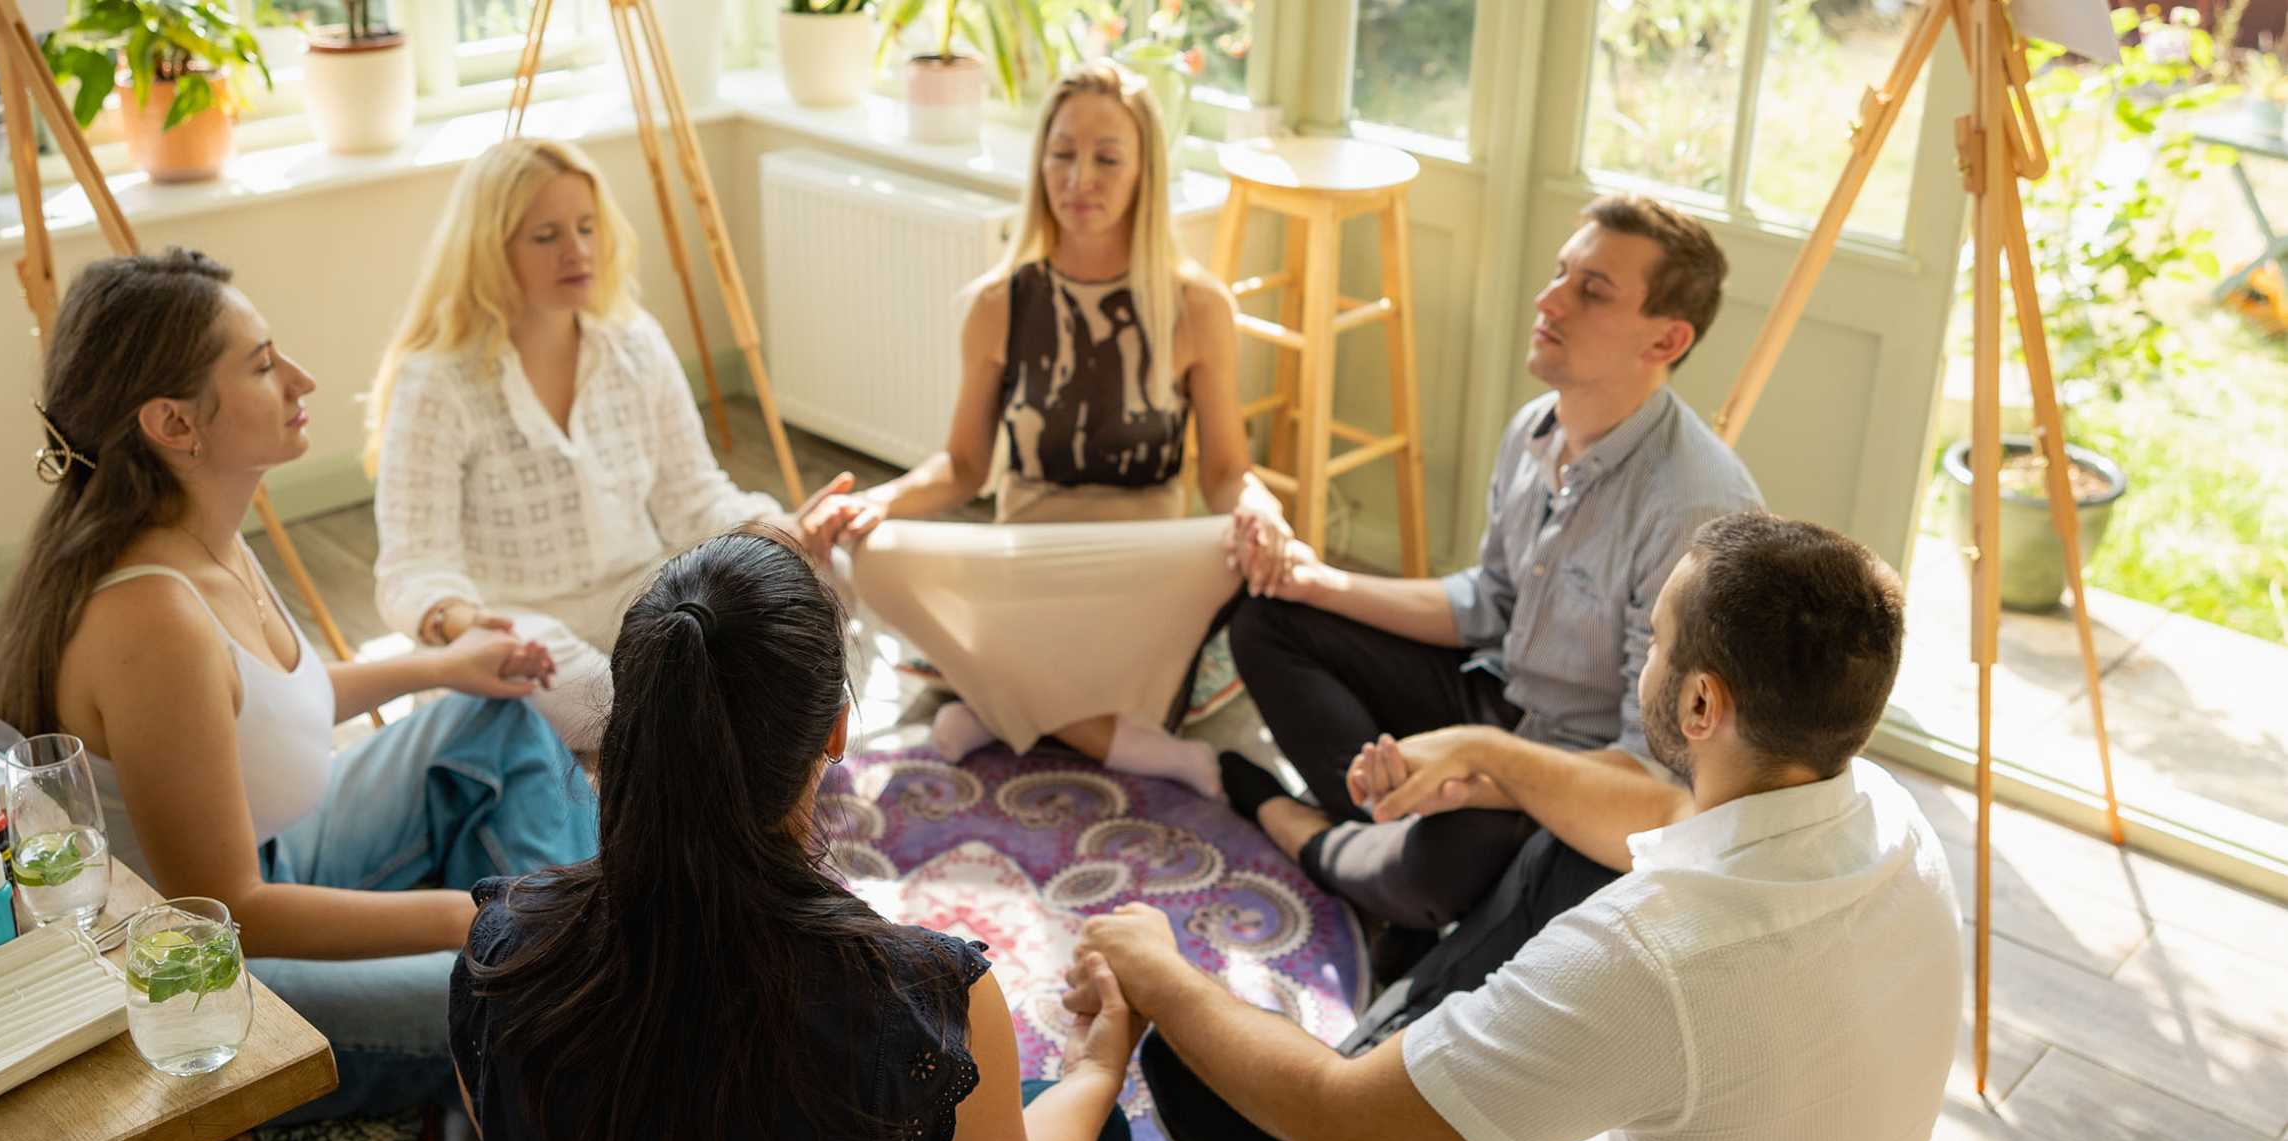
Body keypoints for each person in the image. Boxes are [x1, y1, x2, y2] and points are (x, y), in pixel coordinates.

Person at [1071, 512, 1961, 1141]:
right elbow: (1666, 827)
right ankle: (1431, 1042)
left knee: (1188, 1065)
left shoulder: (1647, 953)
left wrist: (1154, 966)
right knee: (1561, 853)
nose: (1644, 657)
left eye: (1654, 641)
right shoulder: (1891, 821)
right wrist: (1493, 767)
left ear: (1700, 705)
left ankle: (1408, 1042)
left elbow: (1332, 1118)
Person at [0, 248, 597, 1125]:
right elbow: (234, 912)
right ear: (175, 425)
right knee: (534, 1000)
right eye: (264, 366)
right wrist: (480, 913)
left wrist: (444, 668)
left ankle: (581, 942)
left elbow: (264, 705)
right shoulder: (153, 621)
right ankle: (575, 957)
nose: (301, 378)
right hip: (210, 982)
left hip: (281, 857)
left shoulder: (203, 531)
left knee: (497, 717)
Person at [449, 527, 1135, 1141]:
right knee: (1084, 1139)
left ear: (633, 721)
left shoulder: (502, 950)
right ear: (836, 731)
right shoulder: (918, 1002)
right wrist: (1095, 1070)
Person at [1218, 194, 1763, 961]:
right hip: (1500, 695)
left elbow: (1657, 770)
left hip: (1582, 770)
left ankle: (1283, 815)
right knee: (1268, 620)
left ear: (1666, 338)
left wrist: (1481, 775)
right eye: (1560, 274)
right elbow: (1490, 602)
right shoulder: (1535, 429)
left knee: (1435, 873)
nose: (1549, 301)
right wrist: (1318, 582)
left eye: (1592, 290)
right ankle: (1373, 841)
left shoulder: (1691, 507)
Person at [797, 60, 1293, 798]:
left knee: (1236, 553)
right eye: (1062, 153)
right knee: (872, 556)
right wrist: (881, 503)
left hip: (1144, 564)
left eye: (1106, 157)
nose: (1079, 177)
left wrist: (1260, 506)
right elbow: (964, 467)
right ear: (1040, 162)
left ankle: (998, 704)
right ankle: (1129, 741)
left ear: (1144, 172)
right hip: (1024, 560)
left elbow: (1224, 471)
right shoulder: (996, 303)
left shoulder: (1198, 306)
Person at [370, 137, 840, 750]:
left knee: (831, 579)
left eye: (587, 227)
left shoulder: (634, 342)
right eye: (547, 236)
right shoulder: (437, 380)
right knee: (569, 676)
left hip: (645, 605)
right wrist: (462, 621)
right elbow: (413, 565)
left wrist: (784, 531)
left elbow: (692, 498)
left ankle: (672, 730)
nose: (578, 251)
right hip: (523, 629)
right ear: (488, 249)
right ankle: (690, 730)